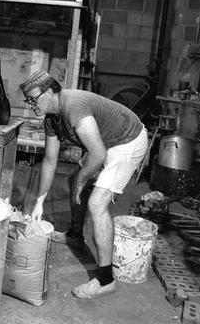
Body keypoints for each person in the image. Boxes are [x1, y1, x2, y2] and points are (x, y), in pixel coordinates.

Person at [19, 69, 148, 299]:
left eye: (33, 99)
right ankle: (76, 236)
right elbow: (50, 159)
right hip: (107, 140)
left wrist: (81, 180)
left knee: (97, 203)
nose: (30, 105)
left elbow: (97, 154)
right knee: (74, 179)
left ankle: (106, 280)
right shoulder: (52, 119)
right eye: (27, 100)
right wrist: (39, 200)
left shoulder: (73, 106)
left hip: (128, 140)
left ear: (49, 92)